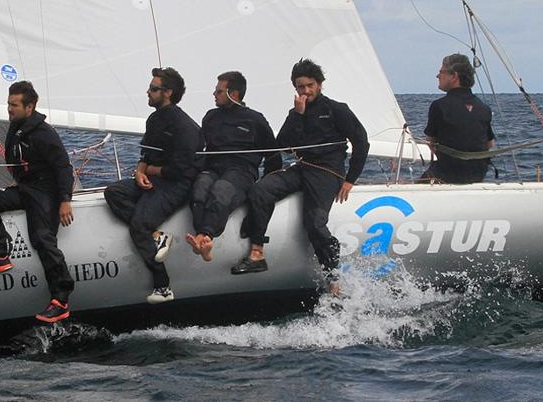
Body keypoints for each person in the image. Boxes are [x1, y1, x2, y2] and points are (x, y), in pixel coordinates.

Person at [231, 59, 369, 293]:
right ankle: (257, 252)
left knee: (314, 223)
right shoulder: (296, 112)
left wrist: (350, 179)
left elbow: (361, 143)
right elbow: (282, 145)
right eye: (300, 87)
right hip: (302, 167)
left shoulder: (337, 110)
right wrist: (298, 115)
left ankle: (333, 278)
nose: (305, 91)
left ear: (320, 84)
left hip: (328, 172)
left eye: (309, 86)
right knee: (260, 189)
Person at [0, 80, 75, 323]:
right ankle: (0, 254)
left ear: (30, 107)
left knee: (42, 240)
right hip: (26, 188)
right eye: (8, 104)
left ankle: (61, 300)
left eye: (14, 105)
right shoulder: (17, 126)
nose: (9, 109)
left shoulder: (44, 134)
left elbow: (64, 168)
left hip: (45, 192)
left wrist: (65, 200)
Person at [104, 67, 203, 304]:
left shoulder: (185, 126)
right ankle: (157, 235)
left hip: (176, 185)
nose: (147, 92)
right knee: (113, 192)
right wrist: (140, 171)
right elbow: (146, 154)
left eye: (153, 88)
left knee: (138, 225)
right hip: (154, 181)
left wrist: (149, 171)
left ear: (167, 92)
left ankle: (163, 285)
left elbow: (183, 169)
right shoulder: (154, 119)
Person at [185, 71, 280, 262]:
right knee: (200, 188)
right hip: (214, 167)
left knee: (221, 190)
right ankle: (203, 240)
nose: (214, 94)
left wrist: (267, 186)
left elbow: (273, 155)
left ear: (233, 94)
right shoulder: (210, 117)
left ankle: (205, 237)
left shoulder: (255, 120)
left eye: (218, 91)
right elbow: (200, 148)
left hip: (241, 170)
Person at [420, 53, 496, 184]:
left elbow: (431, 142)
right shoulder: (484, 108)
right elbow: (489, 144)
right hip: (478, 175)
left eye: (441, 72)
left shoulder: (439, 106)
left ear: (454, 76)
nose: (438, 76)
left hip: (446, 175)